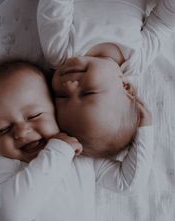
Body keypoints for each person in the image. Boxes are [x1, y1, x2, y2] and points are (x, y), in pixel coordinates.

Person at [0, 59, 153, 221]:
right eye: (3, 129)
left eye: (34, 115)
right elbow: (13, 213)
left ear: (57, 111)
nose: (21, 132)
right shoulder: (4, 166)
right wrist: (57, 153)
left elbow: (128, 183)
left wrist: (143, 130)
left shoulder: (81, 157)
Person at [37, 0, 174, 157]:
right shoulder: (136, 60)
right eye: (87, 93)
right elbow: (163, 24)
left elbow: (55, 5)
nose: (69, 86)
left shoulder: (60, 52)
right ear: (125, 86)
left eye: (61, 97)